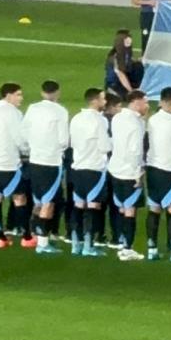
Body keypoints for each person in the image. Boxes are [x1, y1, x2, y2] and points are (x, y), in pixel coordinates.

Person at [0, 82, 35, 249]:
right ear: (8, 95)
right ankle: (27, 237)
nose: (21, 98)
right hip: (10, 164)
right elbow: (19, 139)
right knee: (20, 198)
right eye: (18, 94)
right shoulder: (14, 114)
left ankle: (1, 238)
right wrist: (28, 151)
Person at [23, 80, 70, 255]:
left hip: (35, 159)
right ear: (57, 93)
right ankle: (42, 243)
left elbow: (24, 132)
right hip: (51, 161)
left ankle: (35, 233)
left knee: (39, 199)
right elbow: (64, 140)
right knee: (48, 201)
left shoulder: (33, 109)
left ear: (42, 92)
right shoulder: (60, 112)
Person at [107, 88, 149, 262]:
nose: (147, 105)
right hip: (130, 172)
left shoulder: (117, 118)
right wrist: (138, 172)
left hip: (115, 168)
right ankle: (127, 249)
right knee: (130, 210)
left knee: (122, 208)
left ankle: (120, 241)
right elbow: (135, 151)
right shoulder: (136, 124)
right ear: (136, 102)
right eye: (145, 102)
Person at [70, 87, 111, 257]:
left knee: (79, 205)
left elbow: (71, 142)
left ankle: (75, 244)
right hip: (95, 168)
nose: (105, 102)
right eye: (102, 99)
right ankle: (88, 246)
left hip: (78, 167)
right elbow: (105, 146)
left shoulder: (76, 118)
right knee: (93, 205)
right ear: (95, 101)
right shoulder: (100, 121)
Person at [145, 85, 171, 262]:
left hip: (152, 169)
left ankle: (151, 248)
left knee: (154, 208)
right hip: (170, 169)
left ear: (161, 101)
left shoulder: (152, 120)